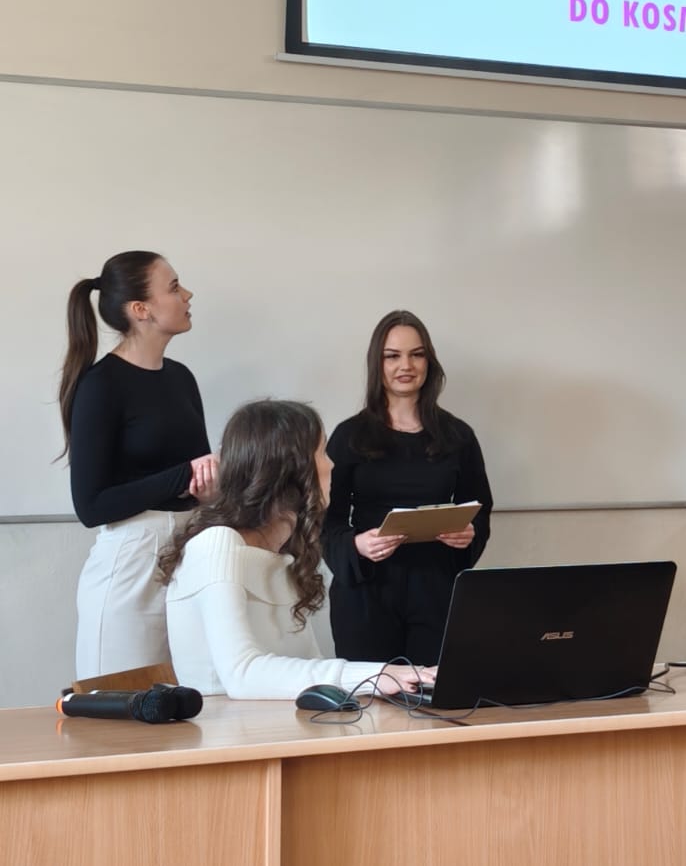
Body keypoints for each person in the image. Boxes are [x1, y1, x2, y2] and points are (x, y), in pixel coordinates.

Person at [162, 399, 427, 699]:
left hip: (281, 724)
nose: (332, 465)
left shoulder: (283, 556)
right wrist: (377, 675)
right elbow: (241, 675)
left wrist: (400, 680)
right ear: (290, 469)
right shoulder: (217, 544)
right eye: (322, 452)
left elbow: (309, 668)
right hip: (228, 728)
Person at [60, 250, 217, 678]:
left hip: (189, 555)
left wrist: (207, 486)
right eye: (174, 287)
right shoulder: (101, 385)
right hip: (130, 567)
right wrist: (182, 476)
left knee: (193, 701)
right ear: (140, 309)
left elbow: (197, 475)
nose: (187, 295)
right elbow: (91, 506)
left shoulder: (181, 377)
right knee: (123, 704)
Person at [323, 309, 492, 665]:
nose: (406, 366)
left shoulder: (458, 435)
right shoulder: (349, 435)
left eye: (417, 354)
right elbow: (326, 520)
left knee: (436, 692)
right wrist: (357, 544)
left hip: (436, 589)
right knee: (370, 694)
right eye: (392, 356)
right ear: (377, 363)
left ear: (429, 361)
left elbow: (480, 510)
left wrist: (468, 533)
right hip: (367, 591)